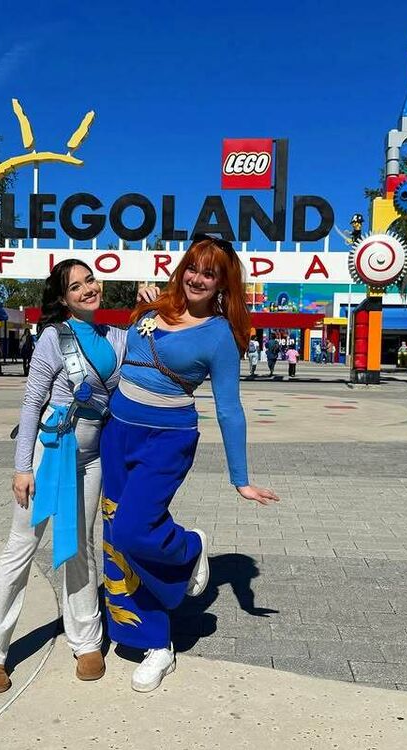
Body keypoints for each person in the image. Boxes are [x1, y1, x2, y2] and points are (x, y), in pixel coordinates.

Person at [0, 259, 157, 693]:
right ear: (64, 298)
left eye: (90, 280)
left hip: (92, 458)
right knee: (22, 546)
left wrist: (151, 305)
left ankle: (87, 639)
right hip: (49, 453)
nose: (88, 288)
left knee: (81, 545)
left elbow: (154, 343)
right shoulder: (54, 337)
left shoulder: (118, 337)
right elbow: (32, 403)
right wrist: (21, 468)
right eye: (76, 286)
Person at [100, 234, 280, 694]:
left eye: (210, 274)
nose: (198, 279)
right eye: (193, 268)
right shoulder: (152, 306)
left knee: (133, 530)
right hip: (117, 432)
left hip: (167, 440)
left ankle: (189, 547)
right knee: (116, 540)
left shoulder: (220, 335)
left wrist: (240, 479)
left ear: (223, 284)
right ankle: (152, 640)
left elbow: (229, 409)